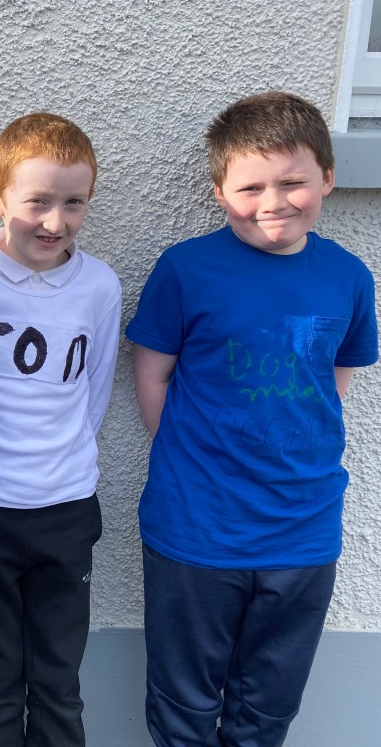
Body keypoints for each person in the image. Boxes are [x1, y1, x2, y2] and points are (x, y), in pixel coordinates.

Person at [126, 91, 379, 747]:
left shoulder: (349, 277)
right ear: (220, 192)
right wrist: (200, 463)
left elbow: (333, 381)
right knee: (182, 703)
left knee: (266, 709)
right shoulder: (186, 270)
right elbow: (153, 378)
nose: (274, 202)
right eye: (251, 187)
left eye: (293, 182)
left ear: (328, 177)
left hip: (303, 532)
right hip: (196, 529)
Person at [0, 113, 121, 747]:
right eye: (37, 201)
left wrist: (59, 463)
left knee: (58, 679)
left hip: (65, 508)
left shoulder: (99, 286)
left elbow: (94, 389)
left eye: (74, 203)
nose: (55, 222)